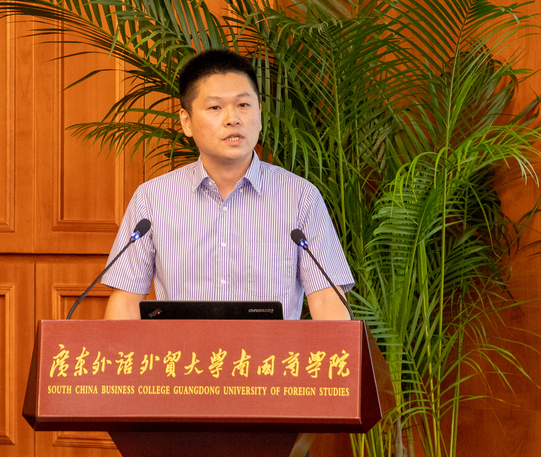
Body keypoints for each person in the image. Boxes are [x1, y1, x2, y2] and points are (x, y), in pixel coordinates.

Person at [102, 49, 354, 320]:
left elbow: (328, 301)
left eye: (243, 105)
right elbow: (125, 303)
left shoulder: (300, 197)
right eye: (215, 107)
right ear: (186, 121)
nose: (233, 118)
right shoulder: (152, 199)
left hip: (270, 350)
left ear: (260, 113)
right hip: (183, 349)